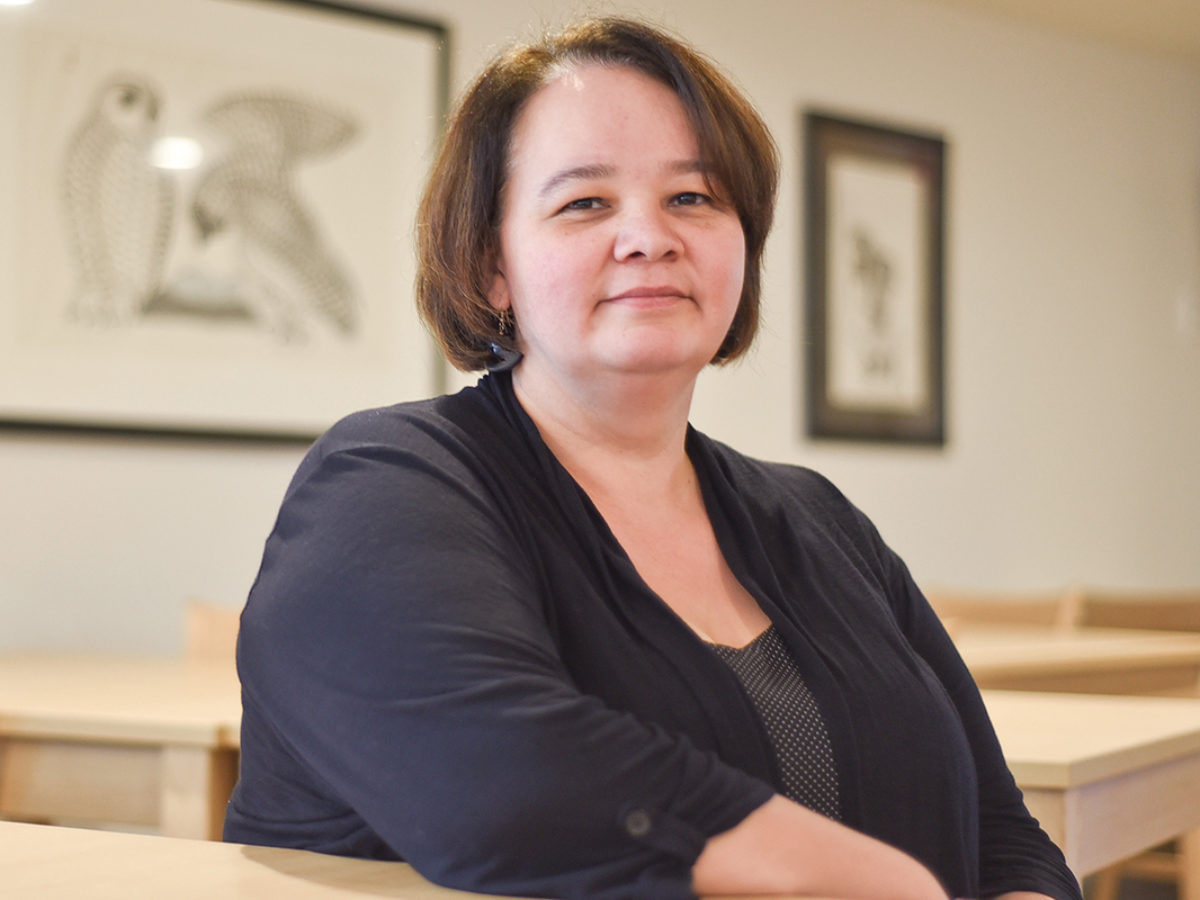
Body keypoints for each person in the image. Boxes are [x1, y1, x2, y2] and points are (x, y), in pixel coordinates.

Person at [224, 16, 1083, 900]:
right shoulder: (386, 484)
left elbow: (997, 824)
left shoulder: (818, 518)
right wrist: (881, 884)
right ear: (493, 268)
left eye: (695, 198)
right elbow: (508, 785)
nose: (650, 236)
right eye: (585, 203)